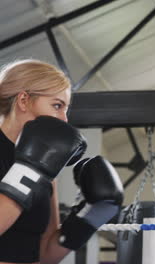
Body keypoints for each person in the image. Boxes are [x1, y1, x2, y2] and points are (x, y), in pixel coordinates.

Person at [0, 59, 123, 264]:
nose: (64, 119)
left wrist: (86, 220)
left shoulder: (43, 167)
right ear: (23, 100)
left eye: (66, 109)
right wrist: (28, 172)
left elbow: (45, 253)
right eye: (57, 105)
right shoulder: (33, 168)